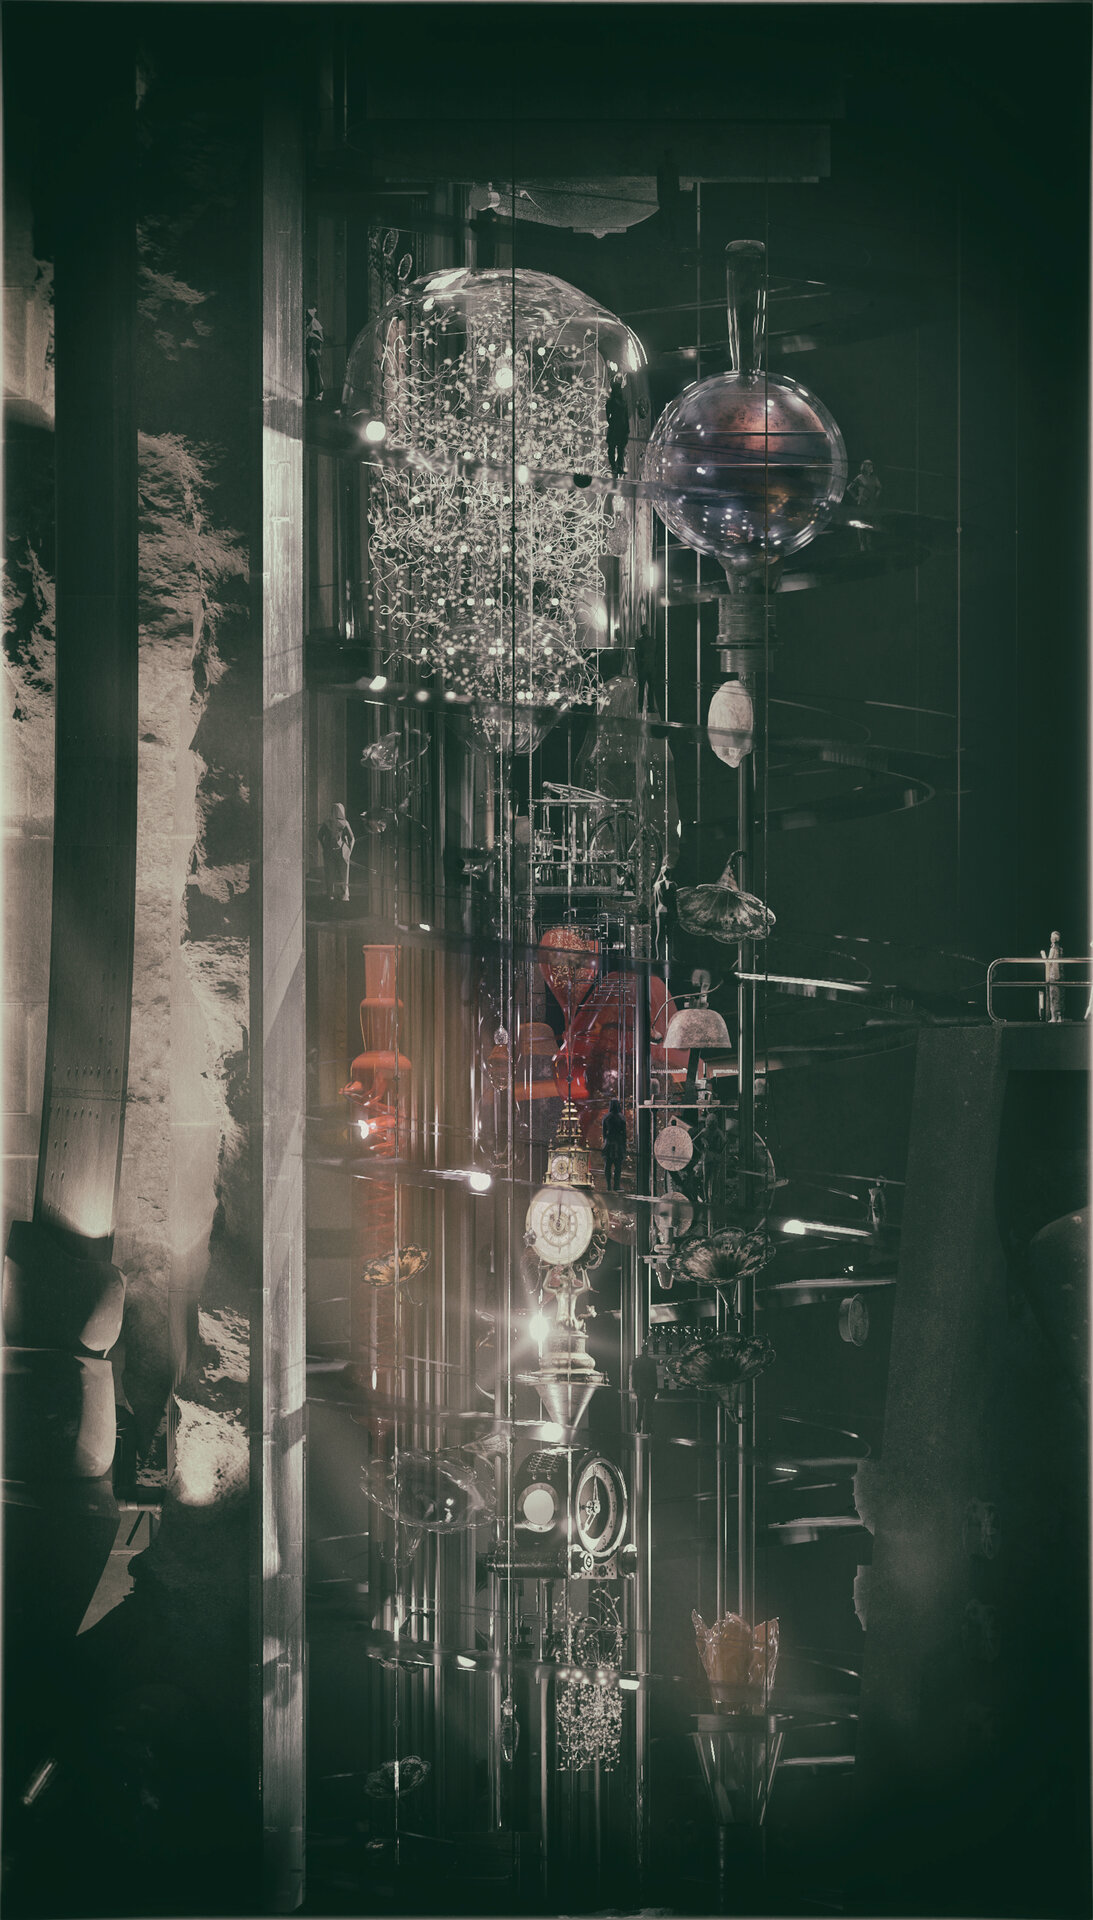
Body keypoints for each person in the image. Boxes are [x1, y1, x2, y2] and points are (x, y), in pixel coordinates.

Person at [318, 801, 354, 902]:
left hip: (341, 851)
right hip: (331, 851)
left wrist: (349, 851)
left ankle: (343, 894)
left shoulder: (344, 823)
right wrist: (324, 847)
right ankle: (331, 893)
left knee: (343, 873)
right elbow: (320, 835)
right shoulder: (327, 823)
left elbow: (352, 838)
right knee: (331, 873)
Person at [605, 375, 630, 481]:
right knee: (612, 448)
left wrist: (627, 428)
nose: (619, 391)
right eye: (618, 389)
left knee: (620, 449)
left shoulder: (623, 402)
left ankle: (619, 467)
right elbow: (608, 415)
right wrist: (611, 422)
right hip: (615, 426)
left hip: (622, 427)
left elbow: (626, 416)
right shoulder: (610, 401)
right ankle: (614, 467)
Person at [602, 1097, 627, 1191]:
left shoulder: (606, 1117)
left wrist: (605, 1141)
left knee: (607, 1165)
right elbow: (624, 1133)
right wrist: (624, 1146)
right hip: (618, 1143)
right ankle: (616, 1186)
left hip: (608, 1142)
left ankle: (608, 1185)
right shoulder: (621, 1117)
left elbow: (604, 1133)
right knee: (618, 1166)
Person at [1041, 931, 1063, 1022]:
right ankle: (1060, 1017)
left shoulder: (1053, 949)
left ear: (1053, 939)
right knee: (1059, 996)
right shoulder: (1060, 949)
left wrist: (1043, 955)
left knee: (1054, 996)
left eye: (1051, 937)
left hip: (1054, 975)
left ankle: (1054, 1017)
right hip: (1060, 975)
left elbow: (1048, 963)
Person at [305, 306, 325, 401]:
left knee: (316, 373)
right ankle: (313, 393)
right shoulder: (309, 327)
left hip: (314, 354)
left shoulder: (314, 327)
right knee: (312, 374)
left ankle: (319, 393)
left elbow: (319, 340)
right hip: (311, 353)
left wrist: (312, 350)